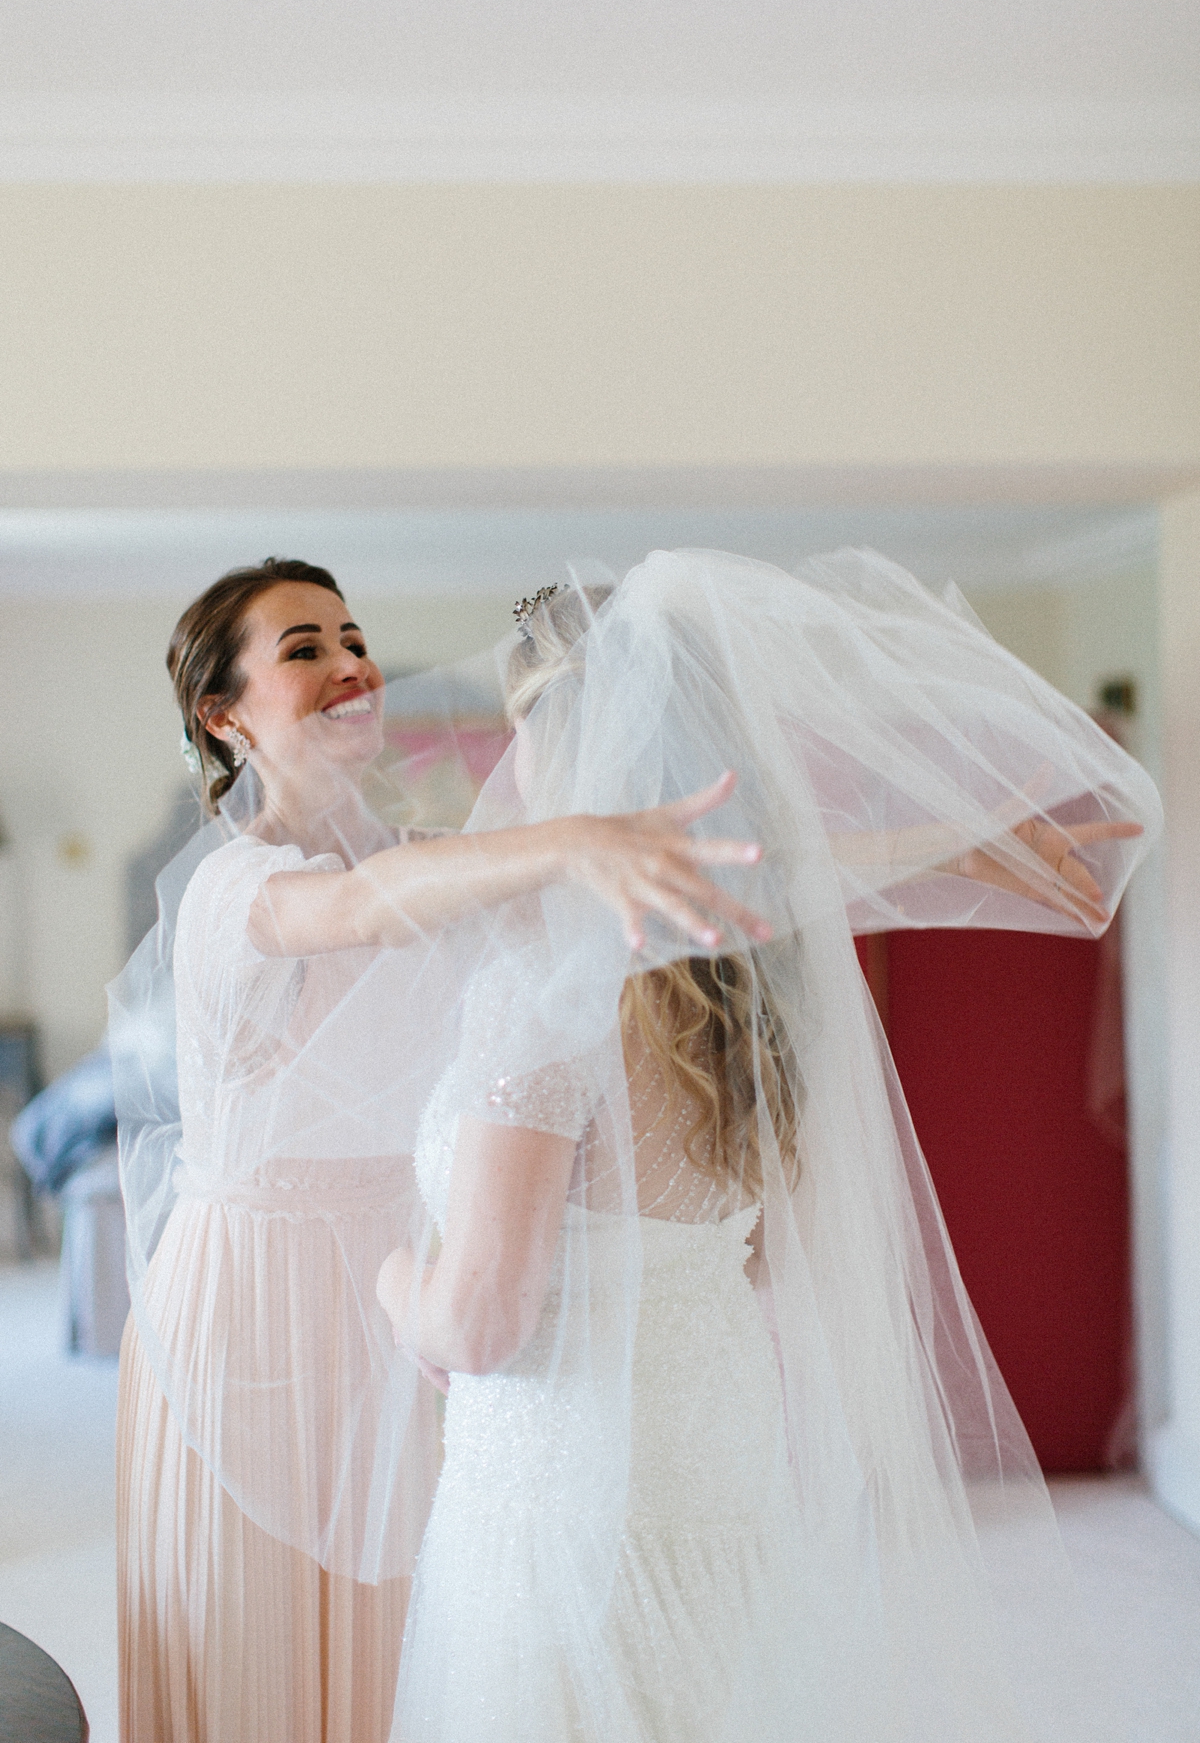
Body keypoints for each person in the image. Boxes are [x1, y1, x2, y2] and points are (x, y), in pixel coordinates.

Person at [377, 550, 1160, 1743]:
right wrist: (960, 841)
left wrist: (395, 1286)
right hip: (719, 1447)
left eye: (526, 725)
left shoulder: (539, 992)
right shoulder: (762, 970)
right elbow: (753, 1254)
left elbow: (479, 1324)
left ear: (574, 739)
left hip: (559, 1483)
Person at [109, 557, 769, 1743]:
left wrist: (958, 849)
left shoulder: (450, 862)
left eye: (353, 636)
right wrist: (572, 836)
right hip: (251, 1307)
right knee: (254, 1661)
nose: (349, 662)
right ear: (224, 714)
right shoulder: (233, 889)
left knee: (411, 1658)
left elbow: (721, 872)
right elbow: (358, 910)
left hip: (406, 1297)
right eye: (303, 648)